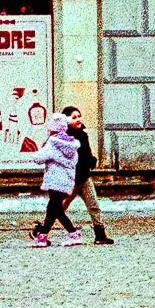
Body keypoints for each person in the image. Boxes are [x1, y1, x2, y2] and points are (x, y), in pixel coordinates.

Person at [63, 105, 114, 244]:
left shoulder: (82, 132)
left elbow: (86, 151)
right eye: (74, 117)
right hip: (71, 178)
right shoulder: (63, 136)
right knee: (60, 207)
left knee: (94, 205)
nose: (78, 119)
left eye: (79, 116)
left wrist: (91, 160)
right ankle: (41, 230)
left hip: (84, 176)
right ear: (65, 120)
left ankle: (100, 235)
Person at [29, 112, 81, 246]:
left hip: (55, 180)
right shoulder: (72, 144)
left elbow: (39, 158)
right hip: (66, 181)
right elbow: (74, 161)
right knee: (52, 208)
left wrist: (33, 152)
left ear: (53, 128)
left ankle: (74, 234)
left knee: (56, 209)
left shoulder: (52, 142)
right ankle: (43, 237)